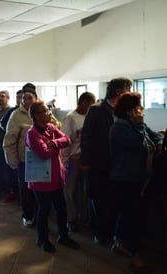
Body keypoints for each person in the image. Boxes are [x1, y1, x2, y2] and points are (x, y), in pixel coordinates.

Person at [109, 92, 163, 273]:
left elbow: (157, 138)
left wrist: (157, 139)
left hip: (139, 178)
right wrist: (140, 126)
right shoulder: (120, 127)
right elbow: (137, 145)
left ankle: (120, 242)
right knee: (132, 215)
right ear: (128, 111)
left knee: (131, 213)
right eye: (137, 108)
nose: (141, 112)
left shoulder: (138, 125)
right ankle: (134, 254)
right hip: (125, 179)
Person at [80, 77, 132, 244]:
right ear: (118, 91)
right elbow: (86, 137)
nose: (129, 93)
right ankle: (99, 232)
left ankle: (109, 232)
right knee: (98, 198)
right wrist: (86, 161)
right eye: (128, 89)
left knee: (113, 199)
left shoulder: (123, 111)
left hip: (117, 164)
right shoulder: (96, 110)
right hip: (98, 162)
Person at [26, 101, 80, 253]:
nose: (49, 114)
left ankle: (63, 236)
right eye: (44, 111)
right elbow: (43, 154)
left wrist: (52, 143)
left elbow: (67, 140)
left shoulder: (50, 127)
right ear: (36, 116)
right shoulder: (32, 133)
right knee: (44, 210)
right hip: (41, 180)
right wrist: (55, 147)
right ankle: (42, 240)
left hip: (56, 178)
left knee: (61, 209)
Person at [60, 92, 96, 232]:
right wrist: (64, 162)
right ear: (83, 102)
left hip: (86, 157)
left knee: (85, 190)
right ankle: (71, 218)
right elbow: (65, 142)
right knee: (70, 190)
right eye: (91, 103)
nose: (93, 107)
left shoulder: (89, 117)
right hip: (74, 159)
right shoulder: (70, 118)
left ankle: (84, 217)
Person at [3, 84, 38, 226]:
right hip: (24, 161)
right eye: (24, 98)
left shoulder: (42, 111)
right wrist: (14, 162)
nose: (26, 101)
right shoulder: (16, 115)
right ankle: (28, 215)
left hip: (41, 160)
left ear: (36, 98)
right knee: (25, 190)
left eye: (29, 98)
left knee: (39, 190)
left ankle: (39, 214)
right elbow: (9, 141)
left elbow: (55, 125)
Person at [1, 90, 22, 202]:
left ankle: (22, 195)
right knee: (12, 171)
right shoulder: (12, 111)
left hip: (25, 148)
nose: (19, 100)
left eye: (21, 97)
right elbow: (3, 123)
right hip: (13, 146)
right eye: (17, 97)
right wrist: (10, 131)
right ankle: (14, 192)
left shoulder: (32, 111)